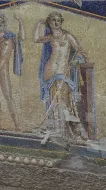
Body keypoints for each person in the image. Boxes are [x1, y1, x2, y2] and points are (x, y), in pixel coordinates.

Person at [33, 12, 89, 142]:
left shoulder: (68, 36)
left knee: (64, 100)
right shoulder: (50, 37)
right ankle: (56, 129)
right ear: (49, 22)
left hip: (63, 71)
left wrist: (77, 61)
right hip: (50, 71)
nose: (56, 22)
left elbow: (80, 51)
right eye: (53, 20)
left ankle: (64, 130)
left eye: (58, 20)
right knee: (53, 100)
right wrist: (38, 24)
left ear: (61, 22)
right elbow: (36, 39)